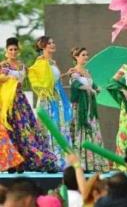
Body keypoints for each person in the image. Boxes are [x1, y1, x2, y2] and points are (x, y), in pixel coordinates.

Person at [0, 37, 58, 172]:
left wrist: (45, 63)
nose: (13, 52)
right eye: (11, 50)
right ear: (6, 52)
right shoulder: (4, 65)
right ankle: (14, 162)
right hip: (8, 102)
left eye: (15, 49)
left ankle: (30, 160)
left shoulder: (21, 65)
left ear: (18, 51)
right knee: (11, 130)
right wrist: (10, 78)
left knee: (26, 129)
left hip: (21, 101)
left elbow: (34, 72)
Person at [28, 36, 73, 170]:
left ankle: (63, 161)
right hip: (48, 99)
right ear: (43, 46)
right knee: (50, 128)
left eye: (53, 42)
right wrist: (45, 91)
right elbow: (36, 79)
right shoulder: (40, 63)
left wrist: (65, 74)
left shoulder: (52, 62)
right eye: (49, 43)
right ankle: (51, 160)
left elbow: (55, 79)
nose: (53, 45)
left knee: (61, 126)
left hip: (58, 97)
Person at [69, 47, 108, 172]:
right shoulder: (74, 72)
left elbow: (92, 84)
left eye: (86, 55)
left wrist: (97, 88)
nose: (85, 57)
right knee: (82, 130)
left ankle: (95, 163)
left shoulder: (87, 71)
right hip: (81, 106)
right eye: (83, 55)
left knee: (93, 130)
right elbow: (75, 84)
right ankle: (82, 163)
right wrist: (87, 88)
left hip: (91, 106)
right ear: (76, 57)